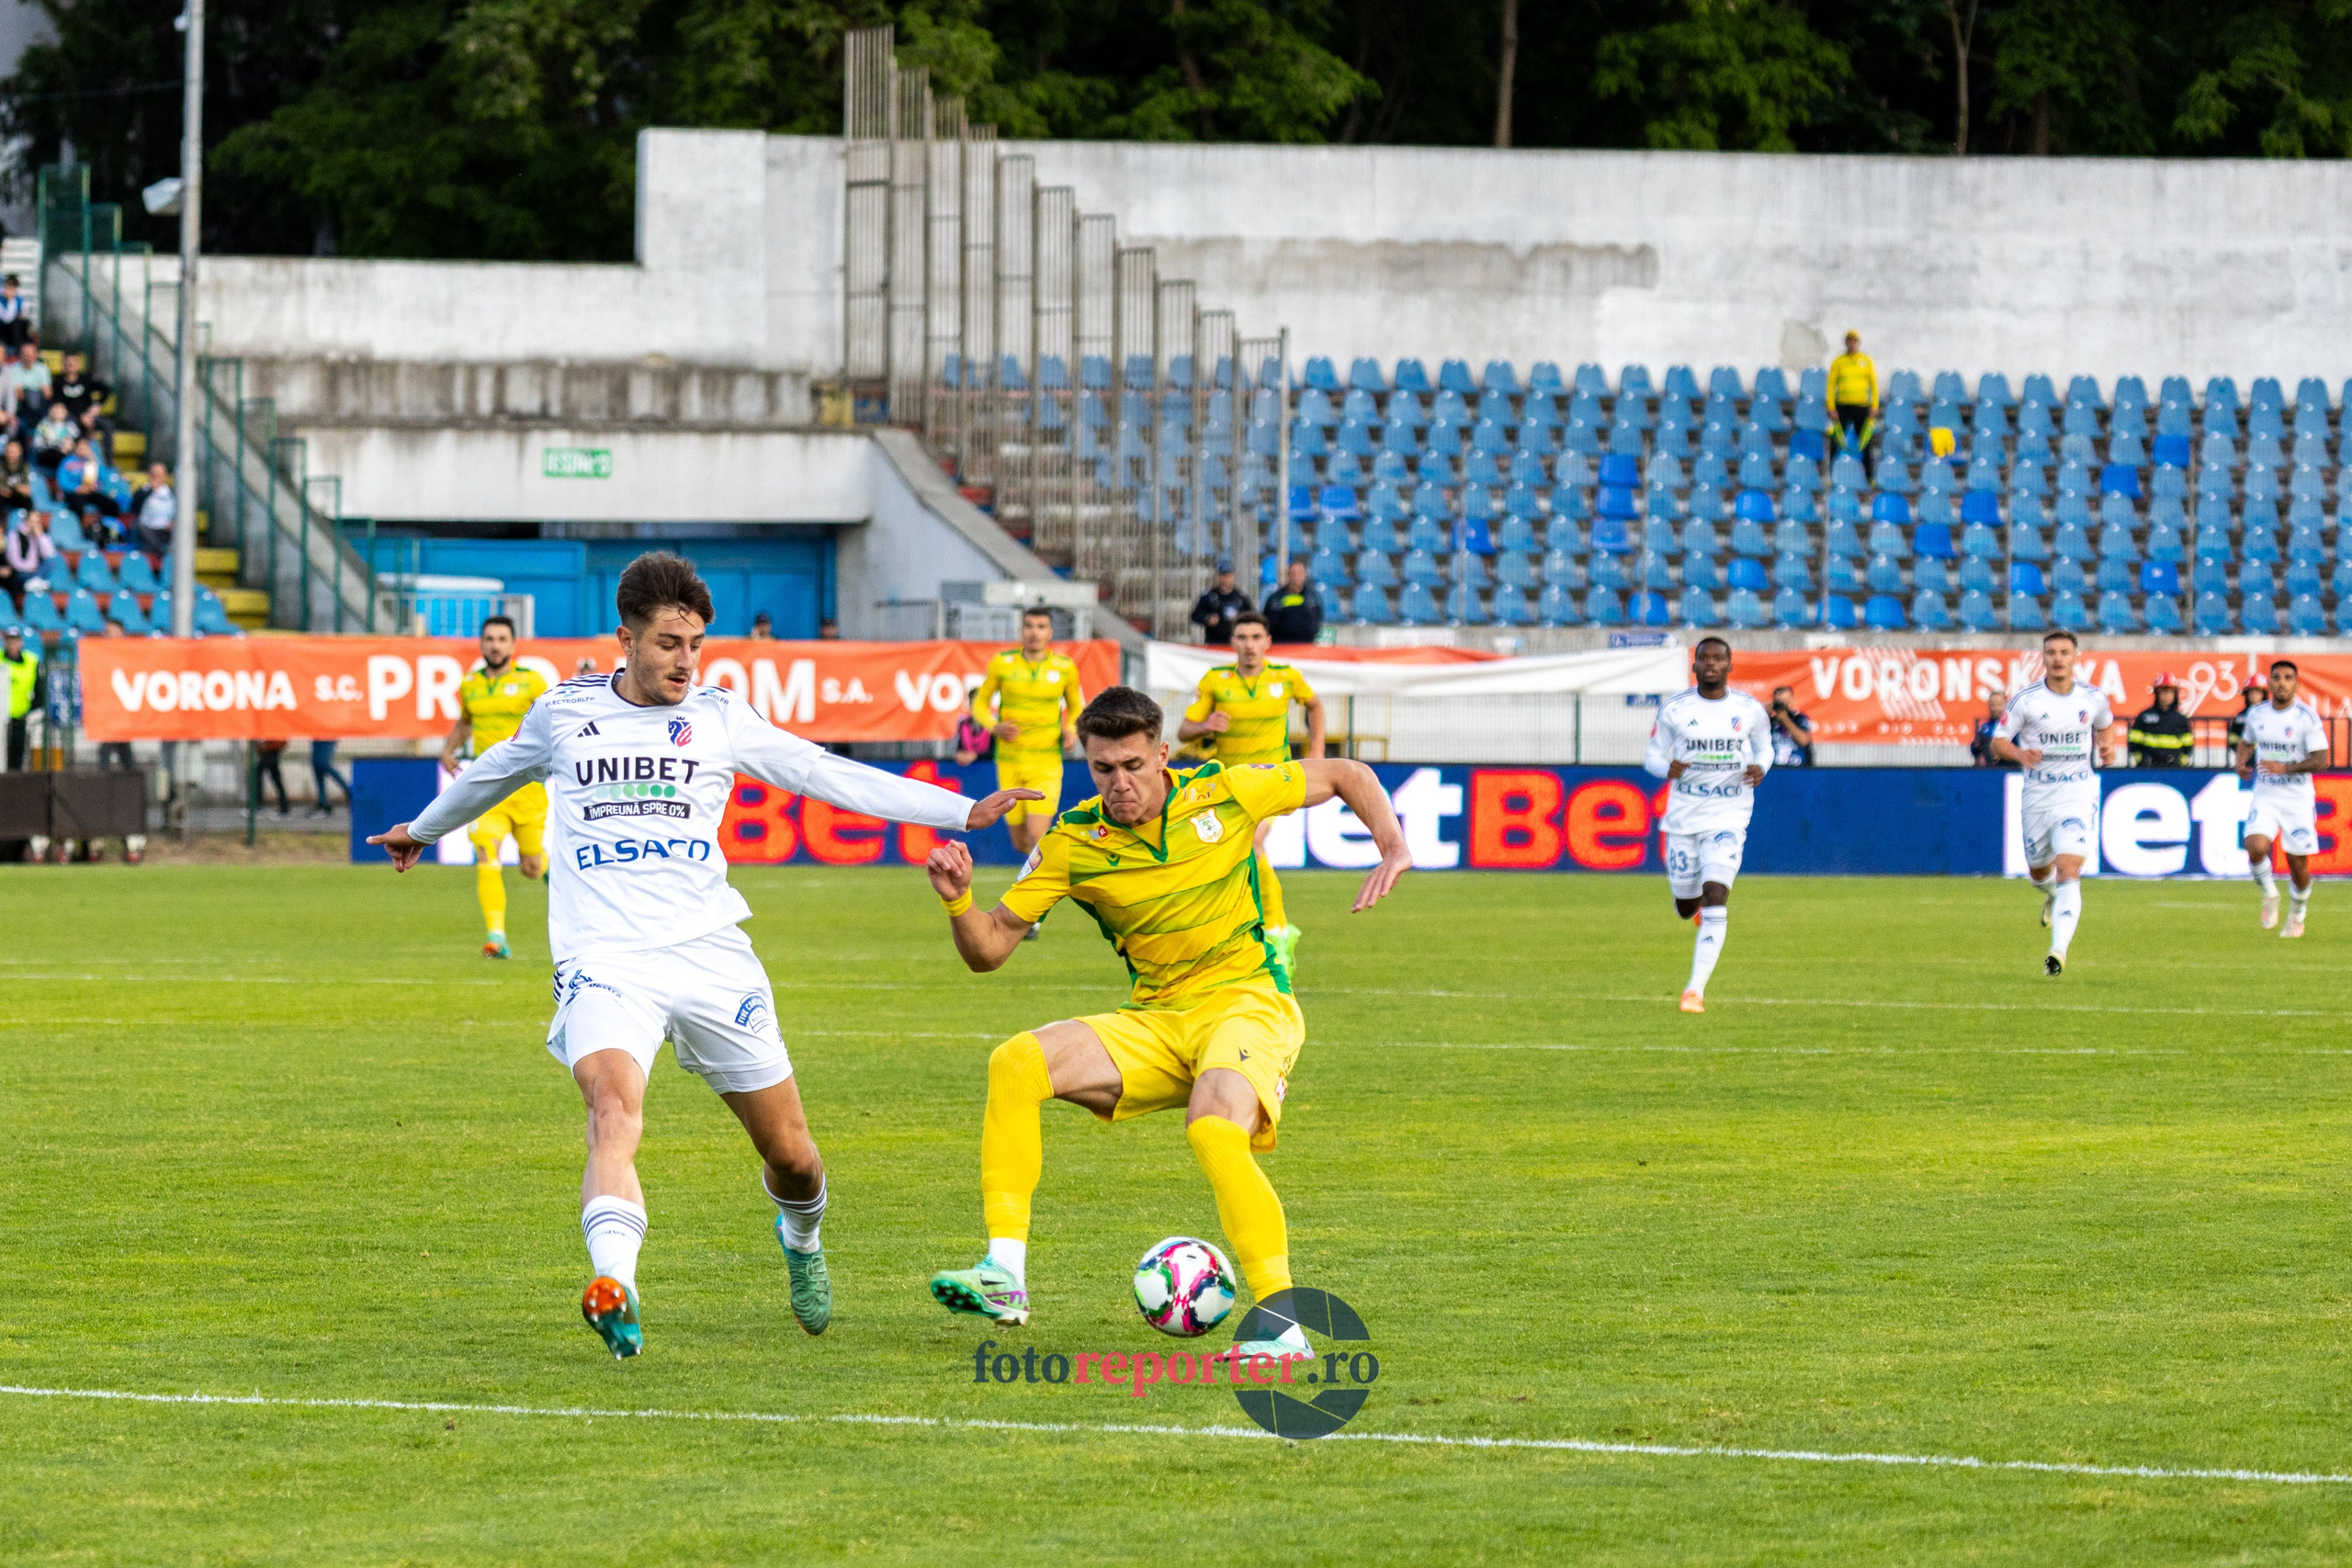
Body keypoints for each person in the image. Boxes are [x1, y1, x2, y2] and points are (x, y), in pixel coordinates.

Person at [368, 551, 1038, 1359]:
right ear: (625, 638)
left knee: (792, 1156)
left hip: (710, 954)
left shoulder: (721, 716)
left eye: (695, 644)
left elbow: (822, 773)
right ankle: (617, 1284)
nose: (686, 661)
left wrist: (961, 809)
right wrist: (421, 829)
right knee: (612, 1112)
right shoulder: (566, 712)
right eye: (668, 644)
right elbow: (493, 773)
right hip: (606, 956)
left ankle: (801, 1237)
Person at [921, 685, 1409, 1351]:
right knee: (1016, 1061)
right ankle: (1005, 1271)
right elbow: (991, 947)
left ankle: (1281, 1323)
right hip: (1156, 1019)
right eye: (1102, 769)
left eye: (1132, 765)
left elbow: (1349, 774)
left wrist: (1393, 846)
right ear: (1086, 764)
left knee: (1212, 1127)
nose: (1119, 783)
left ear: (1162, 754)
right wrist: (958, 903)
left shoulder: (1225, 790)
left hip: (1247, 1002)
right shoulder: (1073, 841)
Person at [1175, 610, 1323, 971]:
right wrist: (1206, 725)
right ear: (1233, 643)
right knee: (1229, 858)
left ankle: (1276, 933)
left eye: (1256, 638)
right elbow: (1184, 730)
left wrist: (1316, 752)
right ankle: (1239, 936)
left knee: (1253, 841)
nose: (1250, 645)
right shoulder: (1216, 681)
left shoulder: (1286, 677)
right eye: (1242, 638)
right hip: (1229, 785)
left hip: (1274, 780)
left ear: (1268, 642)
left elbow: (1315, 705)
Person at [1642, 637, 1773, 1014]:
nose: (1711, 664)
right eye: (1704, 658)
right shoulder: (1675, 710)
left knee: (1716, 892)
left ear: (1731, 666)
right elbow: (1651, 754)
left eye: (1719, 659)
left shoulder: (1749, 710)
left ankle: (1694, 991)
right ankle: (1696, 911)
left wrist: (1761, 768)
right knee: (1686, 906)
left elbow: (1764, 748)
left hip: (1729, 815)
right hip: (1684, 818)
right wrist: (1665, 768)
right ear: (1695, 666)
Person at [1988, 629, 2116, 977]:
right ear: (2042, 659)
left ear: (2076, 658)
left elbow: (2105, 725)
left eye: (2064, 652)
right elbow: (1998, 743)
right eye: (2051, 653)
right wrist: (2019, 752)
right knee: (2039, 872)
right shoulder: (2026, 701)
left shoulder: (2092, 698)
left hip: (2076, 796)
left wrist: (2107, 746)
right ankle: (2048, 894)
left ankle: (2057, 952)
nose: (2058, 658)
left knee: (2069, 870)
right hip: (2038, 800)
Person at [438, 615, 550, 960]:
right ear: (481, 644)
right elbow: (466, 721)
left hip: (527, 789)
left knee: (532, 868)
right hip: (487, 790)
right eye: (489, 639)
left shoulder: (532, 682)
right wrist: (448, 749)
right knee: (486, 853)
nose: (495, 645)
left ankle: (560, 882)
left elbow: (553, 721)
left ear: (513, 645)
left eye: (502, 639)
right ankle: (496, 936)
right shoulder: (470, 684)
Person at [969, 606, 1083, 873]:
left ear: (1050, 632)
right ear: (1022, 630)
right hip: (1010, 761)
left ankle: (1038, 898)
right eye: (1030, 626)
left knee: (1036, 834)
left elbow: (1076, 707)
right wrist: (995, 727)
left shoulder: (1064, 667)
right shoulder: (1002, 663)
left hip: (1046, 762)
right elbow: (980, 706)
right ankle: (1043, 878)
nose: (1035, 633)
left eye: (1041, 627)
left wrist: (1072, 731)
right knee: (1020, 841)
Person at [2236, 660, 2327, 939]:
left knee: (2297, 864)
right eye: (2276, 677)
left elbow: (2321, 760)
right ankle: (2270, 895)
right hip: (2266, 795)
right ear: (2270, 683)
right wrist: (2241, 762)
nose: (2282, 683)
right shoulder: (2257, 714)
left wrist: (2286, 768)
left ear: (2296, 683)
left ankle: (2298, 914)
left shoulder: (2306, 717)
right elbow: (2247, 741)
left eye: (2288, 678)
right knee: (2255, 846)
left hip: (2297, 800)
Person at [1828, 331, 1879, 481]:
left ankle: (1869, 476)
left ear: (1858, 342)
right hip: (1842, 407)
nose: (1852, 343)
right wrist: (1831, 407)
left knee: (1865, 443)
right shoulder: (1838, 361)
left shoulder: (1866, 361)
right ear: (1846, 343)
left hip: (1862, 407)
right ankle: (1831, 474)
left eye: (1854, 340)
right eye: (1849, 340)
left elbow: (1874, 385)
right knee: (1835, 442)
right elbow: (1831, 385)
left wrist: (1874, 405)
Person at [2127, 673, 2194, 769]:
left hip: (2174, 769)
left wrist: (2180, 764)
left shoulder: (2181, 719)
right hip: (2149, 768)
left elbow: (2188, 746)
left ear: (2175, 694)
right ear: (2156, 693)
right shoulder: (2144, 716)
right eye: (2163, 691)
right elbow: (2133, 743)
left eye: (2170, 692)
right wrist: (2141, 761)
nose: (2166, 695)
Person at [2, 622, 40, 771]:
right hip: (1, 718)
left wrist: (31, 711)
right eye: (9, 640)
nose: (12, 644)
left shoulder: (31, 662)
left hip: (20, 717)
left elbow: (39, 690)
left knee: (16, 757)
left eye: (15, 640)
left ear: (21, 642)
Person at [1189, 558, 1251, 646]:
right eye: (1223, 575)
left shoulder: (1241, 597)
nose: (1226, 578)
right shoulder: (1209, 596)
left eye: (1229, 575)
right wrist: (1207, 619)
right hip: (1214, 642)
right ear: (1218, 576)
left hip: (1236, 643)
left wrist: (1241, 619)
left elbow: (1251, 616)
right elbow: (1195, 615)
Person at [1261, 558, 1322, 645]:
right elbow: (1268, 624)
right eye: (1293, 573)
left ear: (1305, 575)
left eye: (1300, 573)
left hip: (1305, 646)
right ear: (1288, 575)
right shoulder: (1275, 599)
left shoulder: (1312, 598)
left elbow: (1316, 623)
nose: (1296, 577)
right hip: (1281, 646)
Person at [128, 463, 175, 556]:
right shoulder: (143, 491)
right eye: (154, 474)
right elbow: (134, 508)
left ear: (164, 476)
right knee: (140, 526)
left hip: (165, 528)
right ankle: (160, 553)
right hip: (147, 527)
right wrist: (151, 491)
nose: (156, 477)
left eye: (159, 474)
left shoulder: (171, 493)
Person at [1767, 685, 1815, 767]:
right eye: (1779, 702)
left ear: (1791, 700)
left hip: (1797, 767)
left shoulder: (1799, 718)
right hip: (1773, 768)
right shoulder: (1769, 721)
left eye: (1785, 701)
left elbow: (1804, 741)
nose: (1782, 705)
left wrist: (1785, 720)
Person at [5, 344, 51, 426]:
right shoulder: (13, 368)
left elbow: (47, 393)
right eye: (25, 355)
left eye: (30, 355)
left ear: (35, 355)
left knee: (34, 396)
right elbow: (18, 393)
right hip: (21, 405)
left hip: (39, 403)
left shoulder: (43, 369)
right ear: (21, 355)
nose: (27, 358)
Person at [2227, 676, 2267, 754]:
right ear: (2246, 695)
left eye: (2257, 692)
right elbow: (2232, 738)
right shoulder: (2241, 716)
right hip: (2247, 759)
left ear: (2264, 694)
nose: (2254, 695)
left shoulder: (2271, 714)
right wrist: (2243, 747)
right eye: (2251, 692)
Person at [310, 739, 351, 816]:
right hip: (317, 734)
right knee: (316, 765)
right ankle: (323, 802)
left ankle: (349, 790)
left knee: (323, 764)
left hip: (327, 734)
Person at [1969, 688, 2007, 767]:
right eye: (1993, 705)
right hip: (1990, 769)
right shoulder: (1984, 727)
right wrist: (1976, 746)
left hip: (2009, 768)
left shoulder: (2013, 725)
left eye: (1999, 705)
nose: (1996, 708)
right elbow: (1975, 750)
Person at [255, 739, 291, 816]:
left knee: (258, 776)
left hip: (271, 752)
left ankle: (257, 805)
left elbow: (281, 742)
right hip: (269, 751)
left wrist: (265, 746)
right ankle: (284, 807)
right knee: (275, 779)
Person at [0, 276, 28, 354]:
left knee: (20, 324)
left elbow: (23, 316)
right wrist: (10, 300)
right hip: (2, 330)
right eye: (8, 286)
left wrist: (11, 300)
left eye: (12, 287)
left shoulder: (21, 300)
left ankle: (18, 350)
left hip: (13, 333)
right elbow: (6, 318)